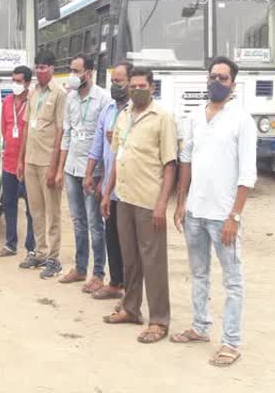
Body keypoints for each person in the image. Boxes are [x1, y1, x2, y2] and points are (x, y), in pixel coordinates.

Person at [171, 57, 255, 367]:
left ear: (233, 83)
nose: (215, 83)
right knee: (199, 273)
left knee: (232, 281)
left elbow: (248, 174)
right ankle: (199, 327)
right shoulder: (195, 117)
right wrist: (181, 202)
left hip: (223, 216)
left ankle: (231, 342)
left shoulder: (242, 120)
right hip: (195, 212)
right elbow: (186, 160)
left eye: (222, 78)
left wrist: (234, 216)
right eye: (212, 77)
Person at [101, 66, 177, 345]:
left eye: (142, 86)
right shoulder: (123, 116)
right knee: (130, 258)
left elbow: (170, 165)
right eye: (133, 86)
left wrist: (161, 205)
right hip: (124, 198)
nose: (136, 90)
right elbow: (117, 158)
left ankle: (159, 320)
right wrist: (107, 194)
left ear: (152, 87)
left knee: (153, 262)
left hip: (148, 202)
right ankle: (131, 308)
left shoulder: (163, 118)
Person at [57, 54, 111, 287]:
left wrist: (104, 177)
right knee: (78, 220)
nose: (73, 75)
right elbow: (66, 134)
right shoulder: (70, 99)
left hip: (94, 170)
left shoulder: (103, 99)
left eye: (77, 71)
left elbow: (107, 142)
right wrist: (60, 168)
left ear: (89, 73)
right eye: (71, 70)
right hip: (72, 167)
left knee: (94, 223)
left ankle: (98, 274)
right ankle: (80, 268)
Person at [84, 61, 132, 300]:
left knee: (128, 239)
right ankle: (115, 283)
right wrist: (89, 173)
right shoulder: (108, 111)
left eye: (119, 81)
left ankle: (129, 288)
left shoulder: (137, 112)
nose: (115, 86)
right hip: (109, 187)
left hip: (130, 188)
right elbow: (96, 145)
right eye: (113, 81)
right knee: (111, 235)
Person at [17, 51, 66, 279]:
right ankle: (40, 251)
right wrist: (20, 159)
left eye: (44, 67)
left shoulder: (60, 94)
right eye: (37, 67)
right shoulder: (34, 92)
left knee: (52, 212)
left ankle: (54, 258)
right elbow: (27, 127)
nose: (39, 71)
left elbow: (60, 130)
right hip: (30, 161)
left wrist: (55, 167)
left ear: (53, 69)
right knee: (35, 210)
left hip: (48, 162)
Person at [0, 65, 35, 258]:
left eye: (18, 81)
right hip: (9, 161)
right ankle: (10, 244)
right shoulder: (8, 100)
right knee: (9, 204)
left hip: (28, 162)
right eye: (14, 80)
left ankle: (32, 246)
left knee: (31, 206)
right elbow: (4, 129)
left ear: (27, 82)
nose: (15, 84)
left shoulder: (33, 101)